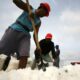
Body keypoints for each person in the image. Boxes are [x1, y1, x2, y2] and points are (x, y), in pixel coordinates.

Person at [0, 0, 51, 70]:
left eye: (45, 15)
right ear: (41, 8)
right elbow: (16, 1)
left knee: (24, 56)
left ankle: (20, 75)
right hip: (15, 29)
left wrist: (37, 46)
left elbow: (35, 35)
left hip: (25, 36)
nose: (43, 16)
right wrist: (29, 11)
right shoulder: (29, 8)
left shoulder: (38, 22)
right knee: (1, 50)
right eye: (44, 14)